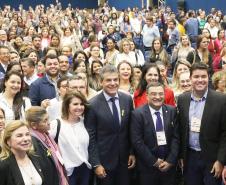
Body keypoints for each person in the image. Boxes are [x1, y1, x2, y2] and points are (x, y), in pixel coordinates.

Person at [85, 65, 135, 185]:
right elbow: (91, 138)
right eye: (108, 80)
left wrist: (132, 152)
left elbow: (131, 129)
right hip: (104, 163)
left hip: (125, 161)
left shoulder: (127, 99)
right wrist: (96, 163)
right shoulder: (92, 105)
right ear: (101, 82)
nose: (112, 83)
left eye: (115, 80)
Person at [177, 63, 226, 185]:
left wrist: (221, 160)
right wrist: (182, 156)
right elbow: (181, 130)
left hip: (212, 158)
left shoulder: (221, 100)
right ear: (190, 78)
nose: (200, 80)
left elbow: (225, 133)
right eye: (196, 76)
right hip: (190, 157)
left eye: (203, 76)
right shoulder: (182, 99)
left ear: (208, 78)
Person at [130, 82, 179, 185]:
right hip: (147, 168)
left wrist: (170, 161)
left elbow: (176, 137)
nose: (158, 97)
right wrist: (154, 161)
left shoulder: (172, 111)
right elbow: (137, 141)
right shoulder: (137, 114)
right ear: (147, 96)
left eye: (161, 94)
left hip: (169, 167)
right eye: (153, 94)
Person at [49, 91, 91, 185]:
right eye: (75, 104)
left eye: (81, 104)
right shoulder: (56, 124)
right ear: (67, 105)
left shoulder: (85, 122)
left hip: (85, 169)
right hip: (66, 172)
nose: (79, 107)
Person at [25, 106, 68, 185]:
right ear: (34, 125)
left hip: (60, 178)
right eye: (45, 120)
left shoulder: (46, 134)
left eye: (48, 119)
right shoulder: (32, 144)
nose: (49, 122)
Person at [0, 120, 44, 185]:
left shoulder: (35, 158)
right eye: (19, 136)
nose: (26, 139)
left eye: (27, 134)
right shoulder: (3, 166)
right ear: (8, 141)